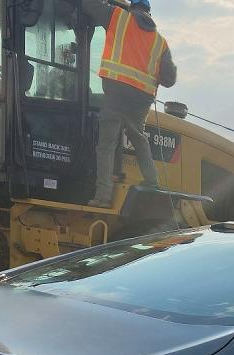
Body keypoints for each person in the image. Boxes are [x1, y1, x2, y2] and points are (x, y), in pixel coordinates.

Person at [87, 0, 176, 206]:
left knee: (107, 145)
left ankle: (103, 196)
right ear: (149, 12)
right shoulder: (160, 42)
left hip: (117, 92)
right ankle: (152, 180)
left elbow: (88, 5)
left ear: (131, 7)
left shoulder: (117, 17)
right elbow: (169, 79)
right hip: (141, 98)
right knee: (138, 137)